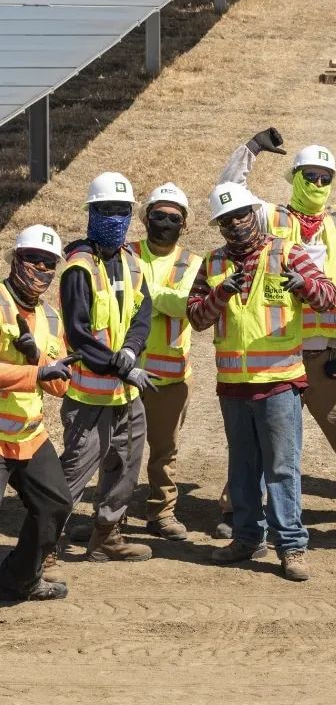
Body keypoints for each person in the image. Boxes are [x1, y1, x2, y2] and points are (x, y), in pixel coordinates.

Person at [213, 128, 336, 536]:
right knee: (263, 438)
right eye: (309, 176)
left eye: (325, 177)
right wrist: (251, 148)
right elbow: (229, 191)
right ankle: (237, 506)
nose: (317, 184)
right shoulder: (268, 217)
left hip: (327, 352)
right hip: (279, 353)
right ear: (293, 177)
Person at [187, 182, 336, 582]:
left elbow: (328, 296)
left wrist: (303, 285)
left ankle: (292, 547)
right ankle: (248, 538)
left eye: (241, 215)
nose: (236, 224)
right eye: (227, 220)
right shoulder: (214, 262)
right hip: (234, 384)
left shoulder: (287, 253)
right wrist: (219, 295)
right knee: (242, 467)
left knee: (282, 469)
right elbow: (196, 317)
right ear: (219, 226)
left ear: (254, 214)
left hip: (279, 382)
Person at [57, 172, 158, 563]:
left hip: (126, 393)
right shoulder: (79, 268)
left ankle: (106, 535)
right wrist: (121, 367)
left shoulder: (132, 262)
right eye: (105, 210)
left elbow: (142, 315)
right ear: (91, 213)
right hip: (88, 395)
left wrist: (131, 352)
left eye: (121, 211)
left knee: (126, 465)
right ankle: (44, 546)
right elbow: (79, 335)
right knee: (75, 471)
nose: (114, 217)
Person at [0, 226, 75, 601]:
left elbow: (60, 386)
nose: (41, 268)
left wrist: (37, 359)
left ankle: (19, 579)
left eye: (49, 263)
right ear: (16, 258)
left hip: (28, 436)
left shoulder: (51, 317)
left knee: (55, 505)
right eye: (34, 259)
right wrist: (35, 371)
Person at [130, 183, 202, 541]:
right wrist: (163, 298)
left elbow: (185, 305)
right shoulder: (126, 254)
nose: (165, 222)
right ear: (145, 218)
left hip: (168, 376)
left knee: (164, 451)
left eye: (174, 217)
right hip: (122, 373)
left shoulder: (194, 264)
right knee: (117, 450)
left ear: (185, 224)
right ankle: (108, 517)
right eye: (158, 215)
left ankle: (162, 512)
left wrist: (142, 293)